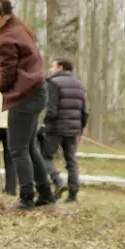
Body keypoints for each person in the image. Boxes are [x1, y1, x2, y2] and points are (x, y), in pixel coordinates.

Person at [0, 0, 54, 210]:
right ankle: (45, 194)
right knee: (29, 147)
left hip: (26, 96)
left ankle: (26, 198)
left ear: (6, 16)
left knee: (16, 149)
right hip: (36, 92)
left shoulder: (7, 40)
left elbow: (8, 75)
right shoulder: (20, 30)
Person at [41, 58, 87, 203]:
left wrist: (44, 124)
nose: (51, 69)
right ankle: (73, 196)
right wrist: (81, 130)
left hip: (55, 129)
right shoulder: (80, 85)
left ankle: (58, 181)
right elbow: (84, 112)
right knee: (72, 162)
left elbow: (52, 110)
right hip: (73, 130)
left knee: (45, 157)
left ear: (60, 67)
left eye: (53, 66)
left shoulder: (53, 83)